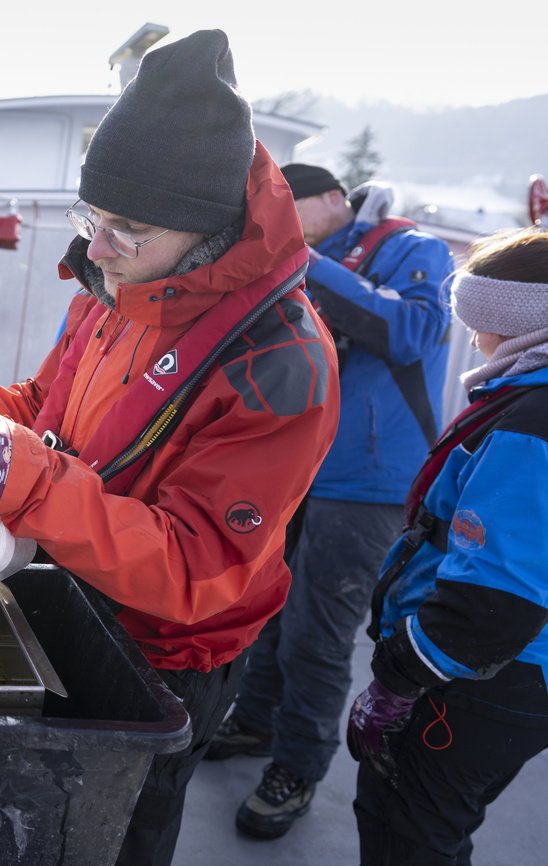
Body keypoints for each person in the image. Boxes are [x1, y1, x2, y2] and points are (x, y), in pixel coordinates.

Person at [0, 30, 340, 865]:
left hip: (166, 659)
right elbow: (49, 403)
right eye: (92, 217)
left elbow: (198, 568)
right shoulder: (116, 281)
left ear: (207, 231)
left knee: (114, 840)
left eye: (127, 228)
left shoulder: (283, 363)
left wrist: (32, 481)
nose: (95, 246)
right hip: (69, 590)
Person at [203, 163, 454, 838]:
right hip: (297, 468)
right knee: (268, 614)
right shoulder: (305, 259)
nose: (277, 222)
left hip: (369, 482)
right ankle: (256, 722)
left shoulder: (412, 249)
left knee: (317, 633)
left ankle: (299, 768)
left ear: (331, 199)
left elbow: (412, 333)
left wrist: (302, 257)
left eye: (289, 207)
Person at [347, 227, 548, 865]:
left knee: (410, 828)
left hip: (484, 680)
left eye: (486, 324)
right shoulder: (525, 397)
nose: (478, 340)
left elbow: (493, 606)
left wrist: (396, 681)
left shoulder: (532, 424)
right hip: (519, 676)